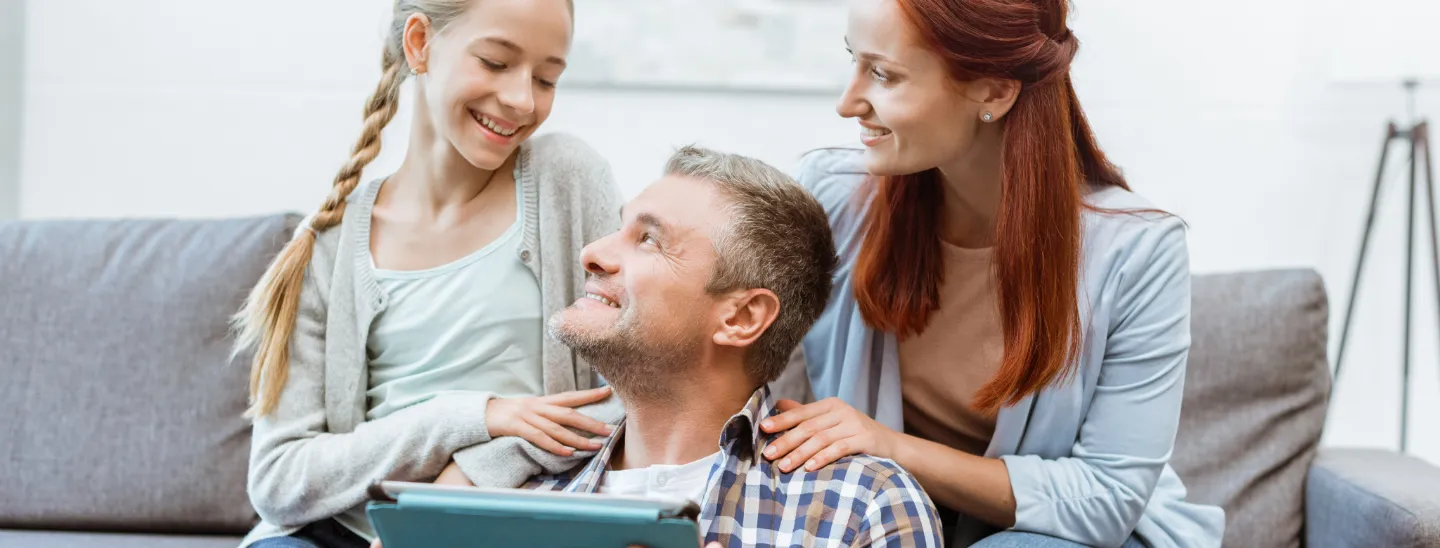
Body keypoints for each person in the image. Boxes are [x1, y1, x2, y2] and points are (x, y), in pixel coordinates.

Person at [759, 0, 1227, 547]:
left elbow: (1106, 498)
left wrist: (887, 445)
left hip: (1063, 533)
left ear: (994, 91)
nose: (847, 103)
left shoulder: (1138, 250)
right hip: (893, 522)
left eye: (884, 74)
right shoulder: (836, 195)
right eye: (853, 62)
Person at [235, 0, 626, 546]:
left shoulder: (568, 181)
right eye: (494, 62)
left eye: (546, 78)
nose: (521, 99)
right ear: (419, 43)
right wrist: (470, 417)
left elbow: (650, 385)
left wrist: (477, 470)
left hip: (508, 520)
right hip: (337, 532)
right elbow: (279, 479)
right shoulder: (327, 242)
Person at [519, 146, 944, 548]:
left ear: (742, 318)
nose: (590, 253)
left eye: (649, 239)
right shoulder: (523, 490)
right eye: (618, 228)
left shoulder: (866, 508)